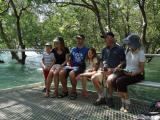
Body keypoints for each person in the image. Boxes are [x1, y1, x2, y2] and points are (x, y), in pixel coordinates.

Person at [91, 32, 126, 106]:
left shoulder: (119, 49)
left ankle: (110, 98)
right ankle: (102, 98)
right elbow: (101, 61)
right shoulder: (104, 50)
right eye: (104, 38)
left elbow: (123, 62)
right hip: (104, 70)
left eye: (106, 38)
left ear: (112, 38)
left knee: (109, 80)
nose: (105, 40)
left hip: (115, 71)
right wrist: (101, 68)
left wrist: (113, 69)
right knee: (94, 78)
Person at [115, 34, 145, 112]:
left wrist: (132, 73)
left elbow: (141, 69)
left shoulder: (141, 53)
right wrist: (120, 67)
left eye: (129, 43)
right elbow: (126, 63)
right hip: (127, 72)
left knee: (120, 81)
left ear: (134, 44)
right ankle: (123, 102)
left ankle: (127, 104)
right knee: (114, 80)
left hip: (137, 74)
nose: (128, 45)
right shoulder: (128, 52)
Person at [59, 34, 89, 100]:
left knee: (71, 73)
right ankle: (65, 90)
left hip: (80, 67)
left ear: (83, 40)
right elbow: (70, 58)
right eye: (77, 39)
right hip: (72, 66)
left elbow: (87, 61)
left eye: (80, 39)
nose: (78, 40)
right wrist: (68, 63)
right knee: (61, 72)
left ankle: (74, 91)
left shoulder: (87, 49)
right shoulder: (73, 49)